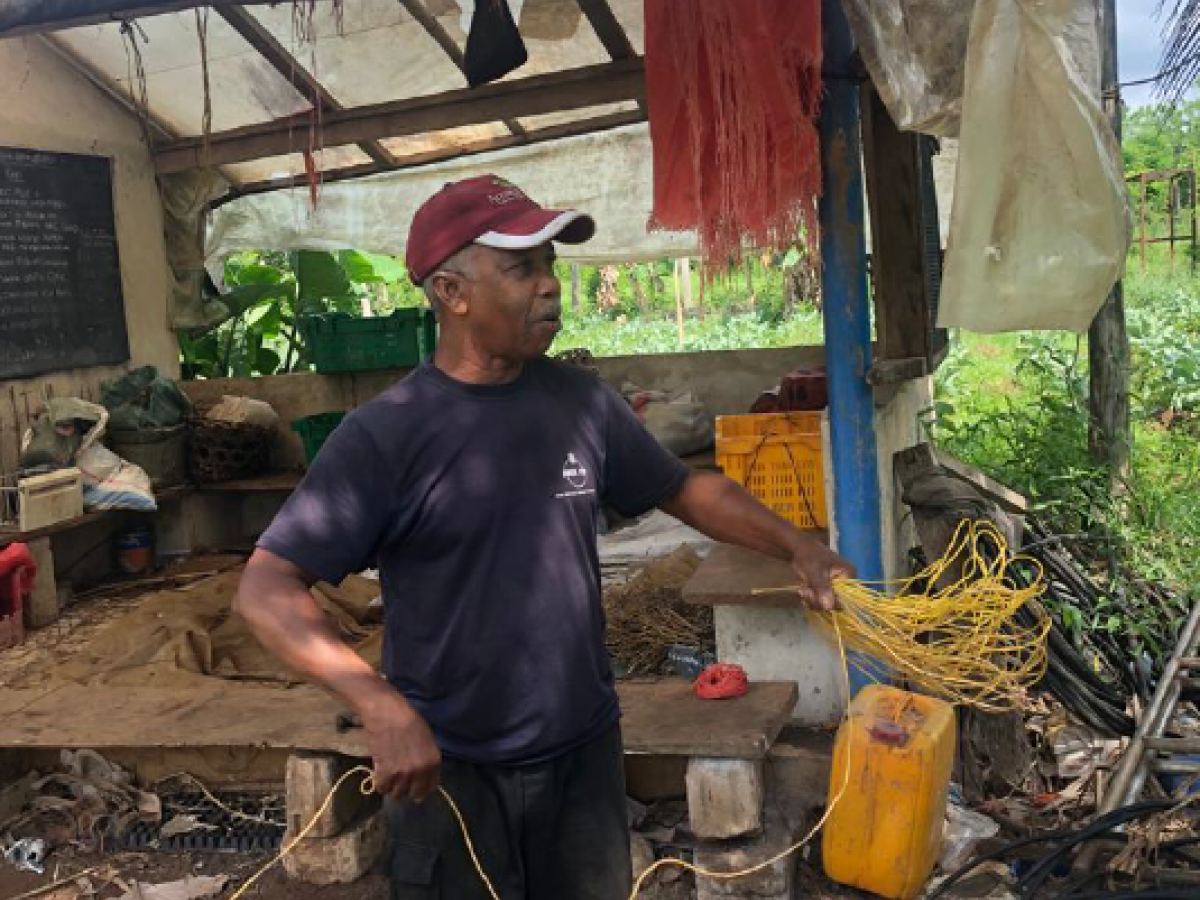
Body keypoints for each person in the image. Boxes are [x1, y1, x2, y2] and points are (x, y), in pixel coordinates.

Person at [235, 174, 854, 900]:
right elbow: (266, 585)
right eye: (522, 267)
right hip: (450, 766)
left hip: (581, 754)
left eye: (551, 265)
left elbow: (686, 490)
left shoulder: (583, 406)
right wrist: (376, 703)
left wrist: (798, 545)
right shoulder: (385, 436)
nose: (550, 286)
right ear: (451, 291)